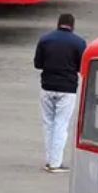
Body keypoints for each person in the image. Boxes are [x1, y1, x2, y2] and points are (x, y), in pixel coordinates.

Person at [32, 14, 86, 173]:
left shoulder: (45, 39)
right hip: (67, 89)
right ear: (72, 25)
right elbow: (82, 67)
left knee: (48, 124)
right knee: (61, 125)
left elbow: (37, 64)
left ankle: (50, 160)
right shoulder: (79, 42)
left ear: (58, 24)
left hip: (47, 86)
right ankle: (55, 163)